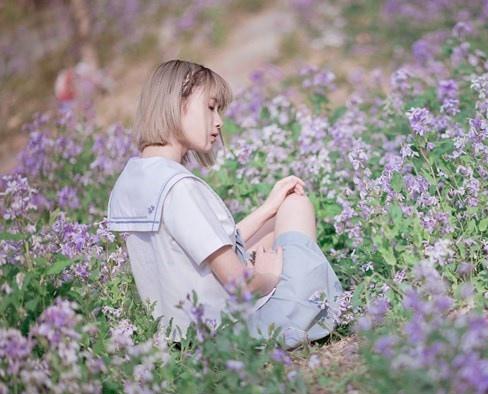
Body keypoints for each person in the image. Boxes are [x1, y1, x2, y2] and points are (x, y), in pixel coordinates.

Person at [106, 59, 344, 349]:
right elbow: (240, 287)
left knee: (277, 215)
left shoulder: (132, 179)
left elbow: (190, 253)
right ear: (176, 102)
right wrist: (269, 275)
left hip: (180, 334)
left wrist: (267, 209)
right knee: (296, 205)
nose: (219, 121)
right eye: (210, 107)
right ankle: (311, 312)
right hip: (232, 334)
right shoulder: (179, 188)